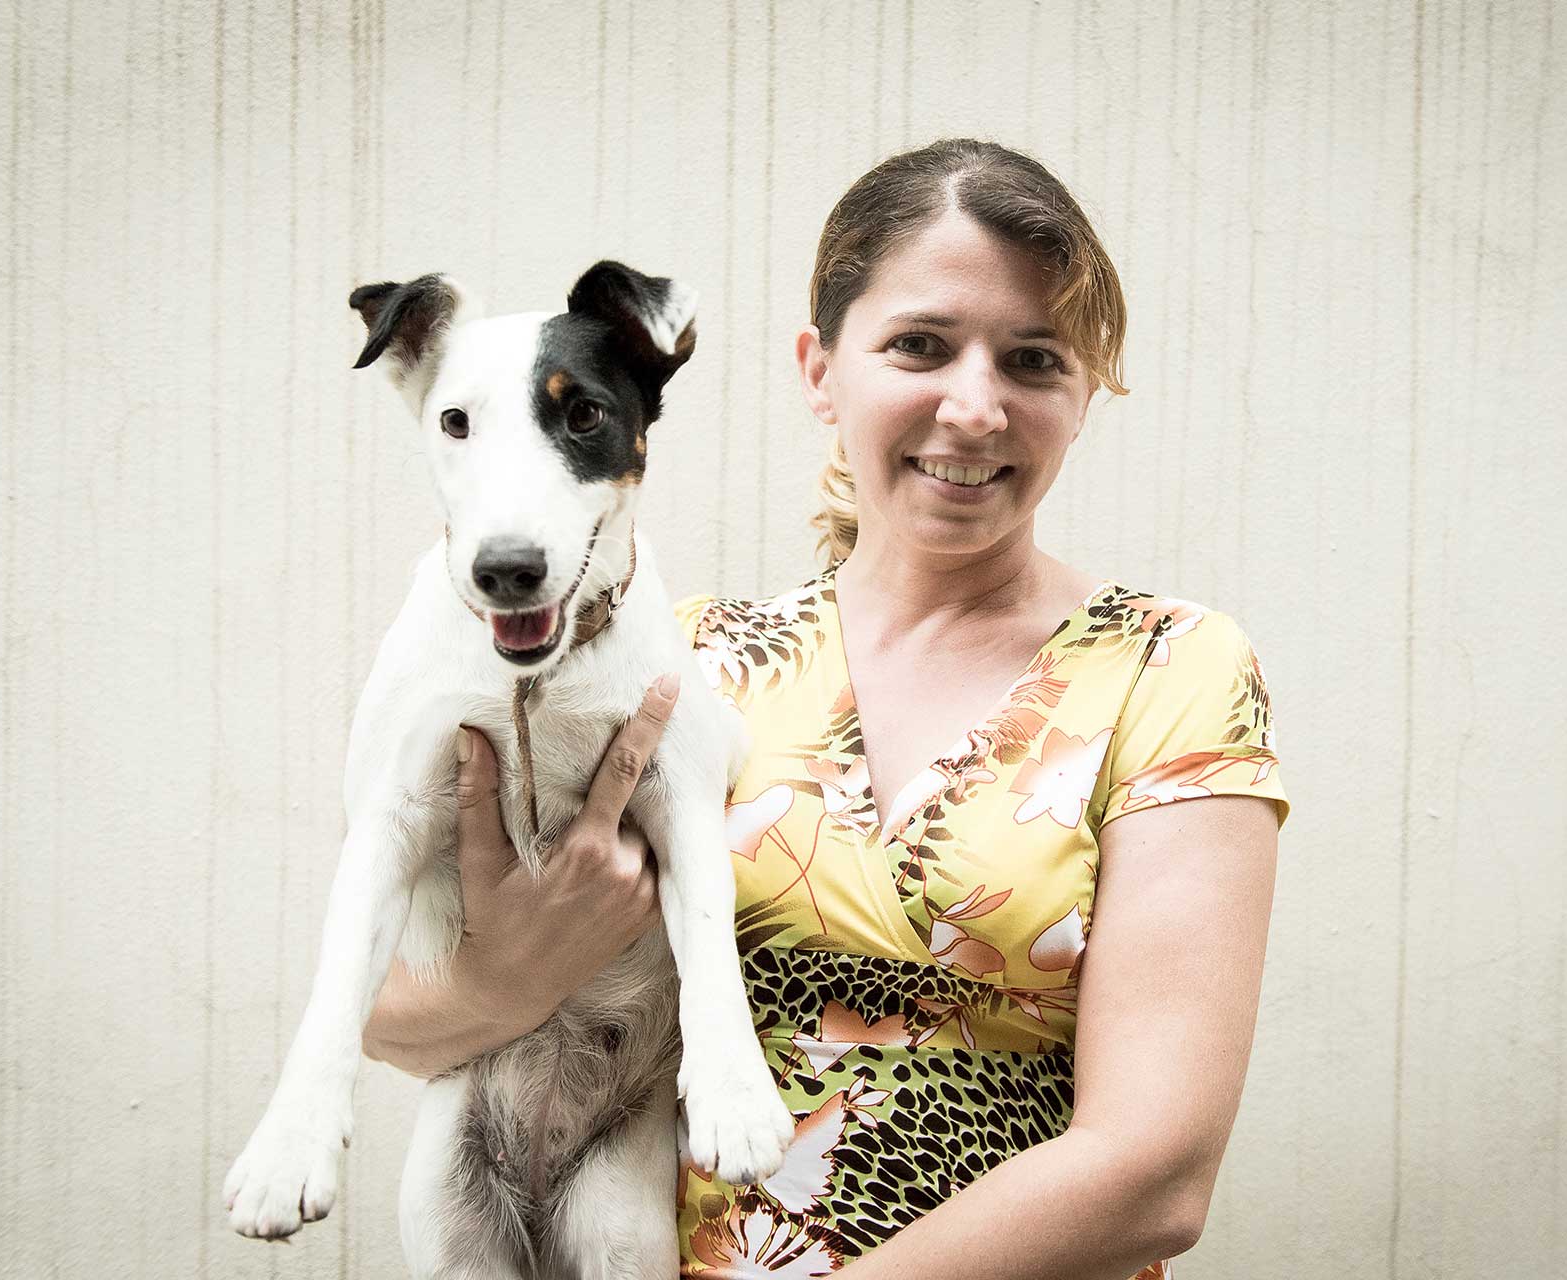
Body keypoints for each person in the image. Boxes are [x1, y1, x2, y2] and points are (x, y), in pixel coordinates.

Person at [364, 138, 1288, 1279]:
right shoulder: (674, 667)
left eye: (1035, 359)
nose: (975, 407)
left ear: (1083, 391)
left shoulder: (1171, 669)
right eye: (920, 345)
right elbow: (400, 1023)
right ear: (820, 369)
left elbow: (1156, 1170)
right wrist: (508, 976)